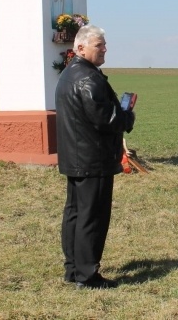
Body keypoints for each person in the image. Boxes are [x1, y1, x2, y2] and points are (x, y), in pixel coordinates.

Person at [55, 24, 135, 289]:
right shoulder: (88, 78)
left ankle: (73, 269)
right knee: (93, 217)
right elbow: (106, 119)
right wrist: (127, 116)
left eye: (104, 44)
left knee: (75, 214)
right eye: (99, 45)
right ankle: (87, 276)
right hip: (93, 158)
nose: (105, 49)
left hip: (75, 156)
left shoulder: (69, 74)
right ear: (80, 48)